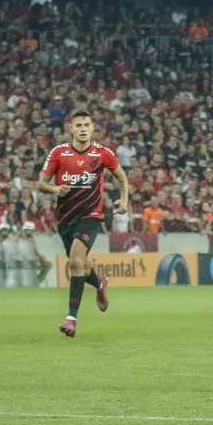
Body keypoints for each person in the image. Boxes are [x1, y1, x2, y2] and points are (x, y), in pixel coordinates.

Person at [37, 110, 129, 337]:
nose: (83, 129)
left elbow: (122, 177)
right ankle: (99, 284)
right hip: (65, 220)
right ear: (71, 128)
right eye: (78, 125)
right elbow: (41, 183)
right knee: (81, 266)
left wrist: (124, 200)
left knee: (75, 263)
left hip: (90, 217)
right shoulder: (59, 153)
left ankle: (71, 319)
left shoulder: (102, 153)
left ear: (92, 127)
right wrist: (55, 188)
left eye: (87, 124)